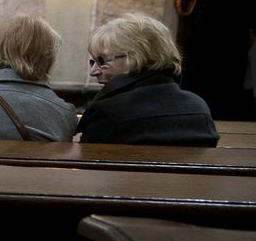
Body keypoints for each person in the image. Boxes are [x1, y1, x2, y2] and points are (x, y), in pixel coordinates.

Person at [77, 12, 219, 146]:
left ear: (137, 57)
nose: (93, 71)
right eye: (93, 61)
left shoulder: (108, 113)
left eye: (101, 60)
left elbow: (87, 167)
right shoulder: (198, 107)